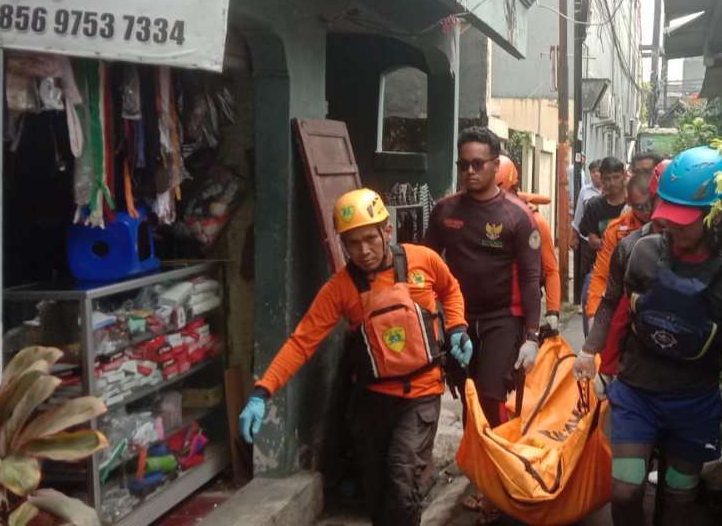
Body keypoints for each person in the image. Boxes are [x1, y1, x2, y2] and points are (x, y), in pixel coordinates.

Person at [573, 146, 722, 526]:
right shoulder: (643, 252)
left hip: (693, 400)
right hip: (637, 391)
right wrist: (600, 362)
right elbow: (618, 311)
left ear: (717, 217)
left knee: (679, 499)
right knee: (625, 490)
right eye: (668, 214)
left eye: (685, 220)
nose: (672, 226)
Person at [240, 188, 472, 526]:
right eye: (352, 243)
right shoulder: (340, 288)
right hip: (372, 401)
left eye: (369, 239)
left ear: (387, 231)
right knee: (376, 490)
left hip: (421, 395)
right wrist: (263, 391)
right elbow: (302, 341)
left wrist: (457, 328)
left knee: (402, 478)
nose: (363, 251)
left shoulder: (423, 260)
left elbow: (451, 290)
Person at [425, 127, 543, 425]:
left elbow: (531, 278)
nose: (470, 171)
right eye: (463, 164)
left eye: (478, 164)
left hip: (503, 319)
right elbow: (424, 265)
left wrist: (532, 336)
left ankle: (497, 453)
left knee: (491, 395)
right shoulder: (444, 211)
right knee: (468, 394)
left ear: (495, 163)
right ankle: (474, 453)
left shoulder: (518, 216)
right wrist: (431, 319)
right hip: (458, 319)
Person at [494, 155, 561, 331]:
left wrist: (553, 311)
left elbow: (550, 269)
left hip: (520, 308)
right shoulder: (475, 215)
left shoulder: (534, 221)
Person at [584, 170, 656, 322]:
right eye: (640, 207)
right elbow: (602, 276)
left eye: (651, 204)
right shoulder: (616, 230)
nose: (647, 211)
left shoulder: (669, 225)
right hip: (623, 301)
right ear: (628, 202)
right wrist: (595, 315)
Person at [577, 156, 628, 334]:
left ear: (624, 175)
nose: (612, 183)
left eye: (616, 177)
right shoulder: (594, 206)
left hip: (629, 273)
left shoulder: (634, 204)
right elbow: (592, 241)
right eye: (607, 178)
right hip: (600, 271)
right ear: (601, 179)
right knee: (589, 302)